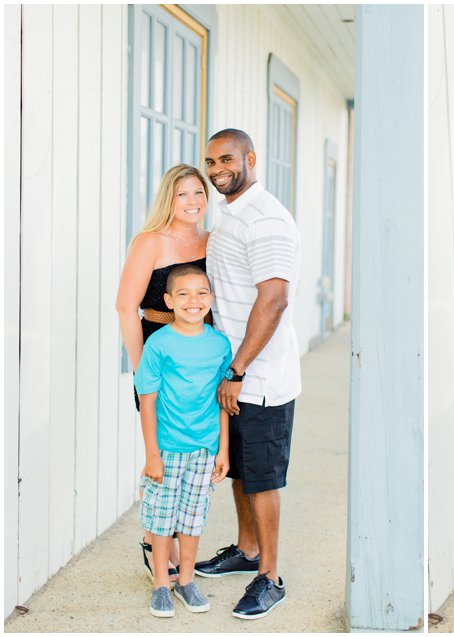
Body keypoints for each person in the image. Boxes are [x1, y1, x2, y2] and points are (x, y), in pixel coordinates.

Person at [193, 128, 301, 621]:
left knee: (262, 477)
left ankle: (270, 576)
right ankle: (246, 550)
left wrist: (238, 369)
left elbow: (273, 299)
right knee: (239, 468)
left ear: (251, 158)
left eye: (227, 159)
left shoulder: (268, 219)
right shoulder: (230, 213)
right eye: (211, 161)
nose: (217, 169)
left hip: (260, 376)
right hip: (231, 372)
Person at [116, 164, 212, 584]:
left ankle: (173, 547)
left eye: (198, 194)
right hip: (159, 354)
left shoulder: (212, 241)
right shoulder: (150, 242)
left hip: (199, 358)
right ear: (168, 200)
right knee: (159, 456)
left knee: (189, 452)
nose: (192, 202)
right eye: (182, 195)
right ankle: (156, 543)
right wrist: (142, 373)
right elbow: (125, 307)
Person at [135, 265, 232, 617]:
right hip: (167, 448)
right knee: (161, 519)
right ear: (168, 300)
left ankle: (187, 580)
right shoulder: (159, 344)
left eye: (201, 293)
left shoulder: (220, 344)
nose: (194, 301)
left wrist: (223, 449)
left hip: (204, 449)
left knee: (192, 519)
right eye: (184, 294)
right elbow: (147, 400)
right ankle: (162, 582)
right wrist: (152, 455)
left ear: (210, 298)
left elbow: (223, 399)